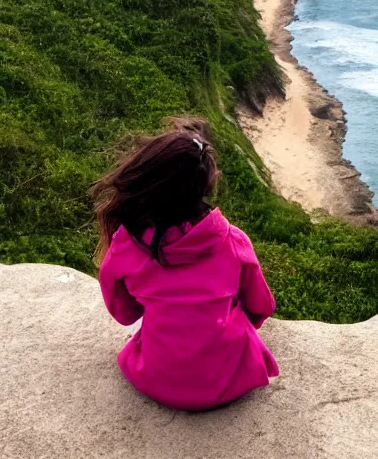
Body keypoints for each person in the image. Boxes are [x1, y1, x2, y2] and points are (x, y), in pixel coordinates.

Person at [92, 117, 279, 411]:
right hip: (229, 381)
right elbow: (261, 307)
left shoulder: (127, 243)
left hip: (156, 379)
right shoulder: (233, 241)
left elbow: (125, 314)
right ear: (204, 186)